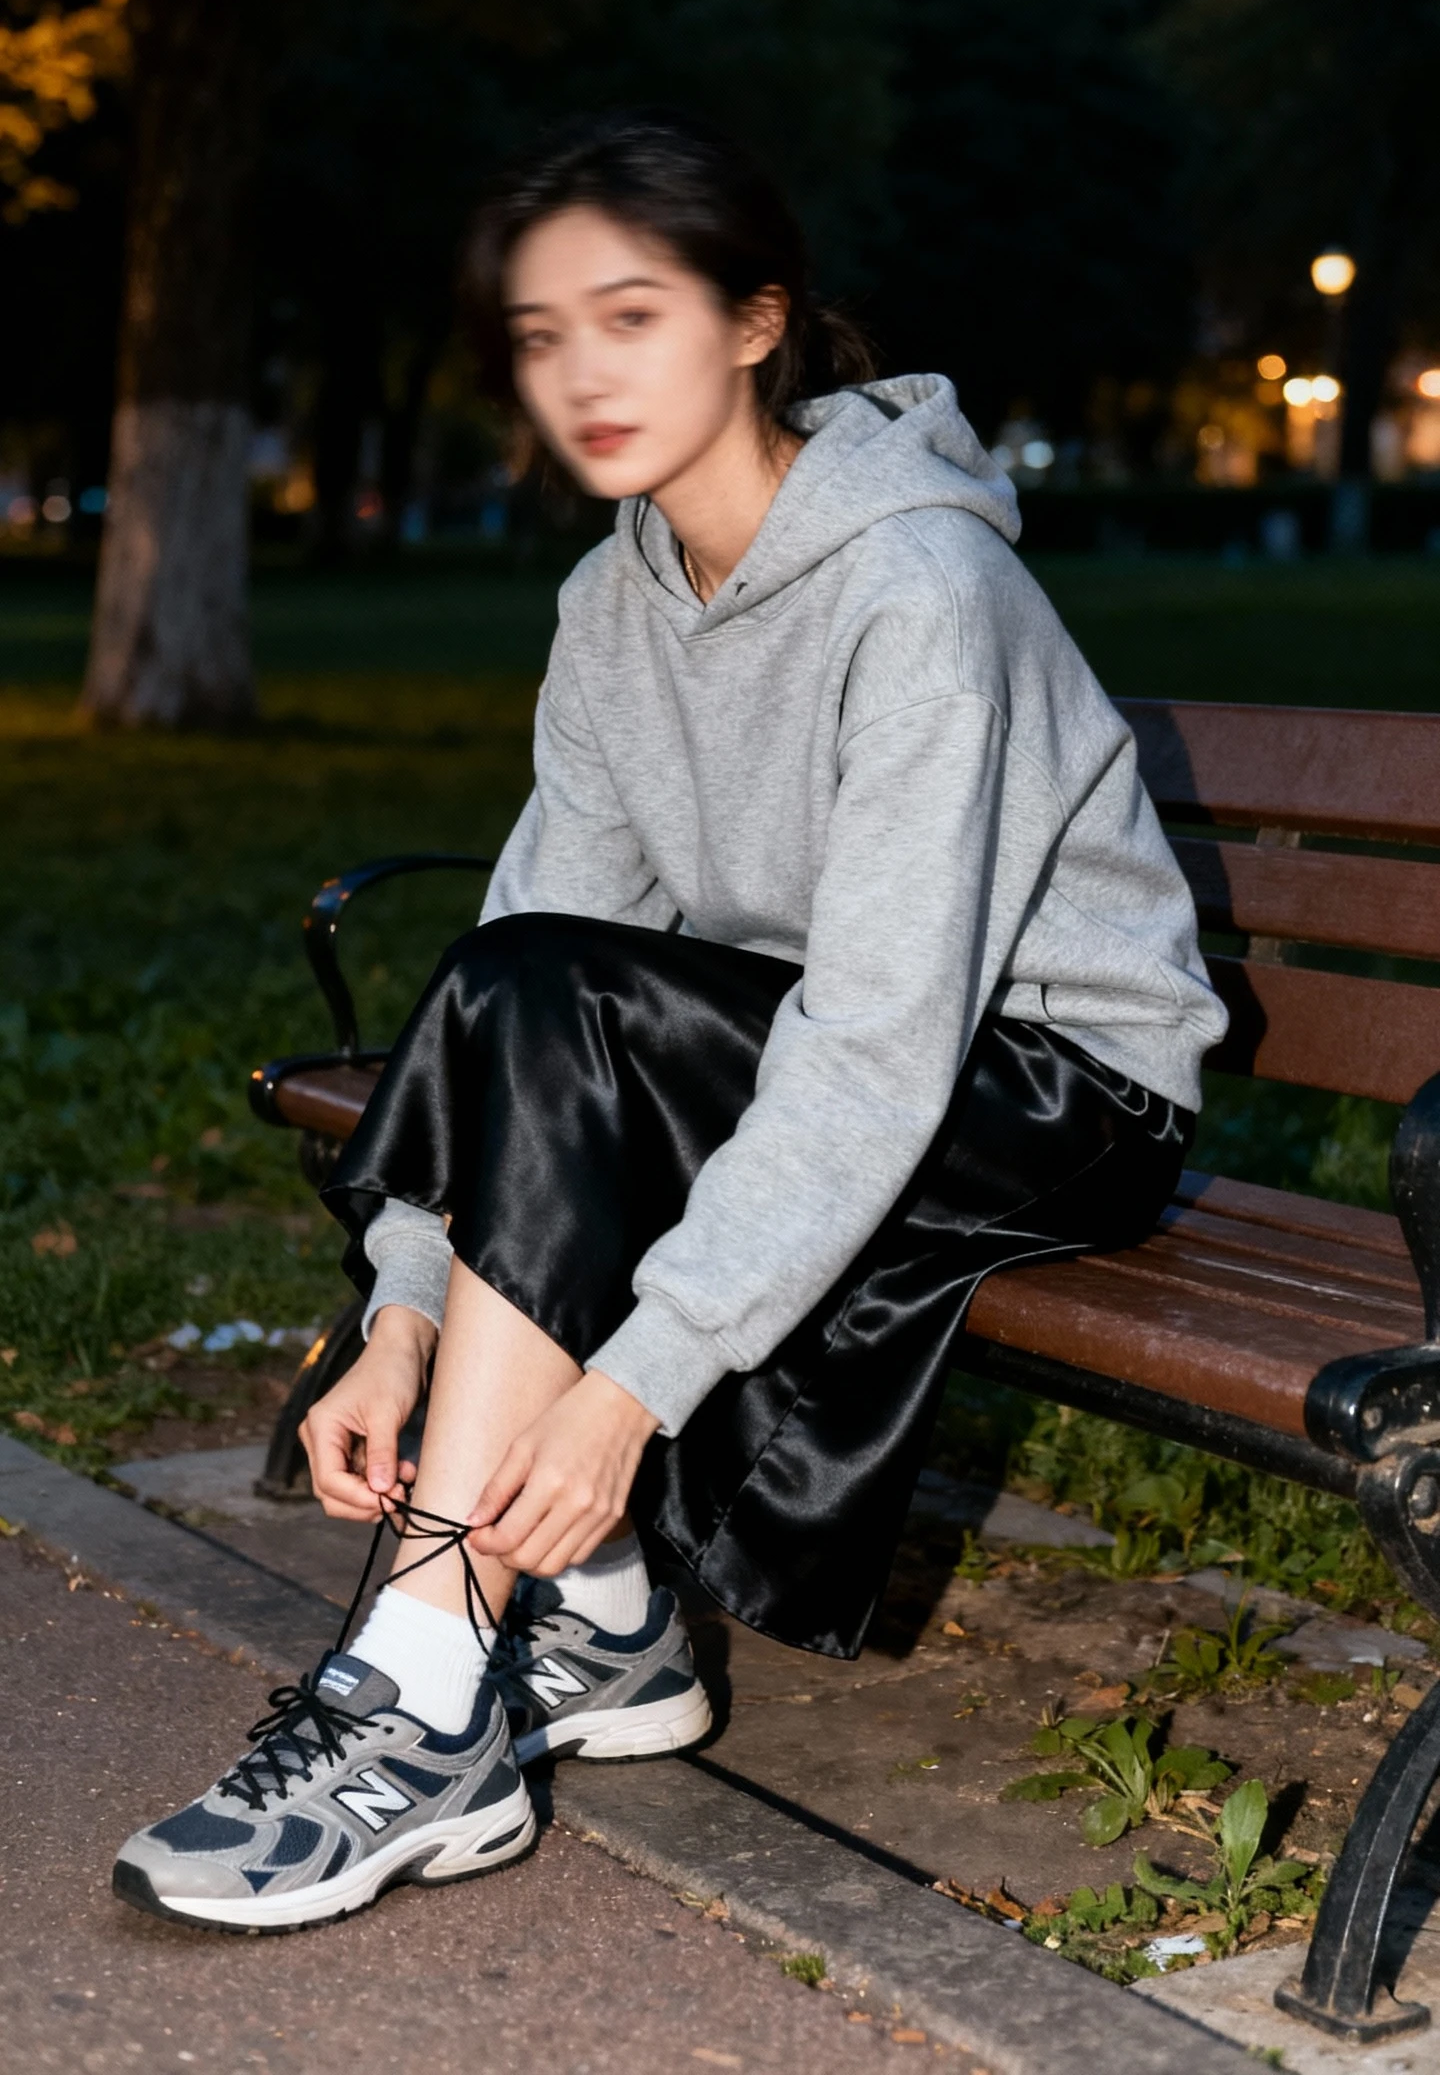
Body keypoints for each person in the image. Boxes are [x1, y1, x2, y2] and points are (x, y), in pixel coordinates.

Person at [114, 110, 1226, 1932]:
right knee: (527, 970)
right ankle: (607, 1624)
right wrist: (392, 1318)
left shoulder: (923, 589)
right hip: (840, 1050)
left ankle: (420, 1686)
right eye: (544, 338)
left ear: (756, 321)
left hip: (1056, 1087)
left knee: (561, 997)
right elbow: (520, 988)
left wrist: (635, 1391)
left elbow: (877, 1047)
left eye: (631, 315)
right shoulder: (612, 601)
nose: (583, 378)